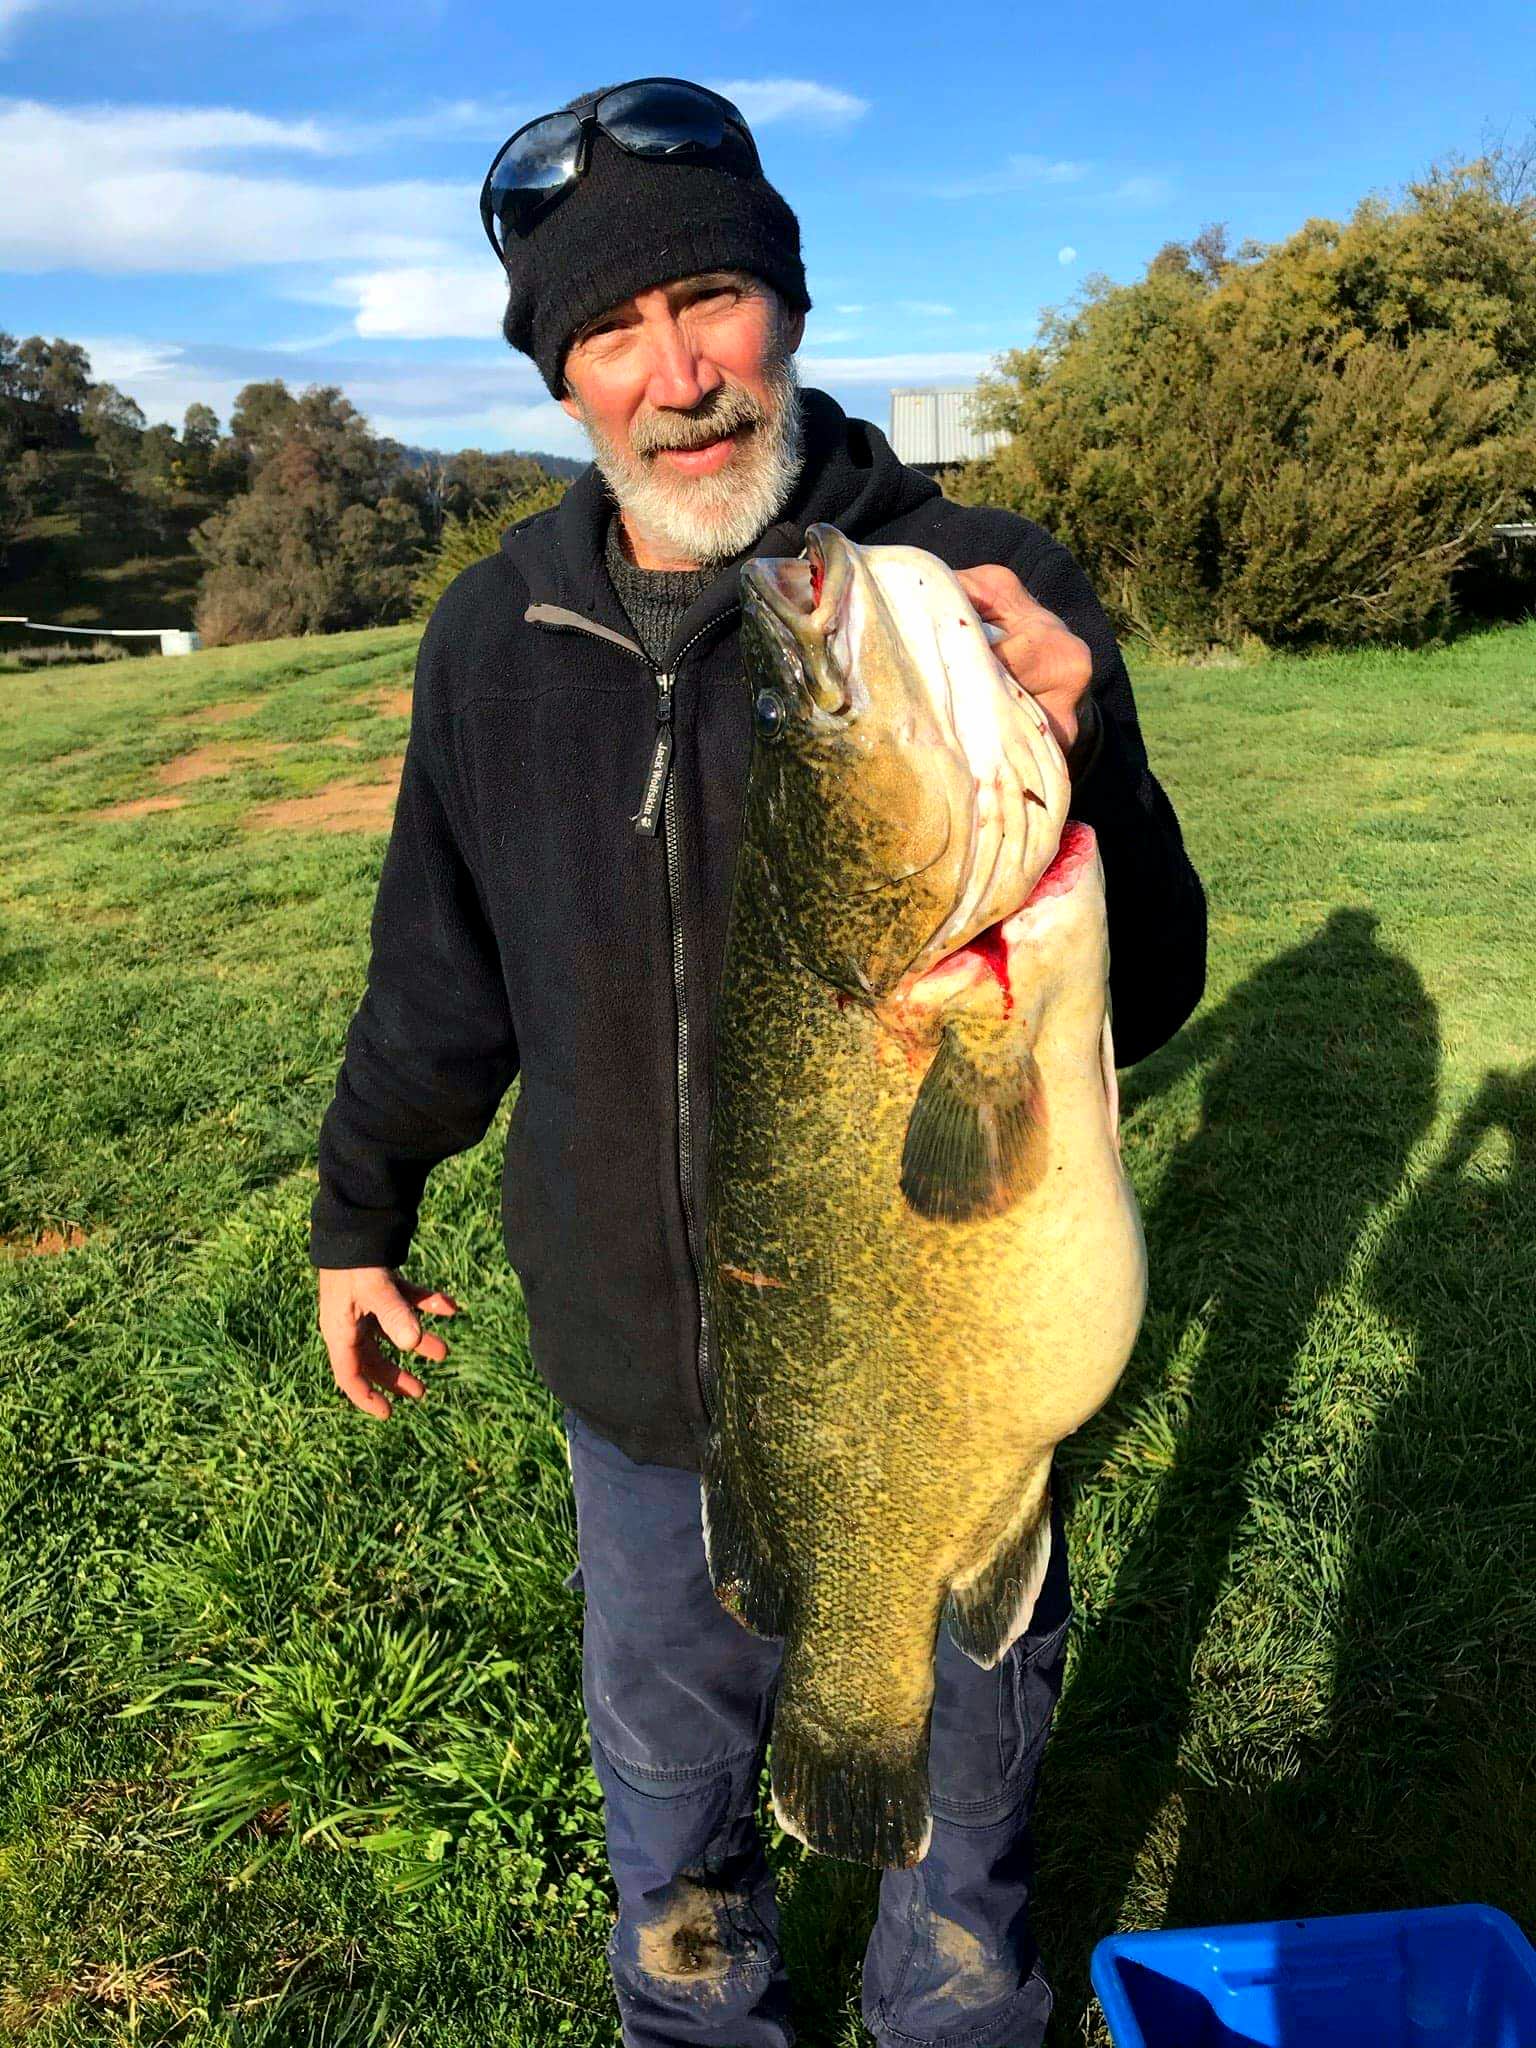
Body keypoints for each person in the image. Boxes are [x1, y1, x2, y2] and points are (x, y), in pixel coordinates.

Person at [310, 76, 1207, 2048]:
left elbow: (1148, 993)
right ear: (562, 382)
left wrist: (1094, 740)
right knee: (680, 1869)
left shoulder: (954, 588)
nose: (676, 370)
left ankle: (954, 2000)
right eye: (610, 331)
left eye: (710, 298)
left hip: (943, 1399)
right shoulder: (495, 633)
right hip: (637, 1392)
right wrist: (358, 1211)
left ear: (786, 309)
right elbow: (436, 981)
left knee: (959, 1895)